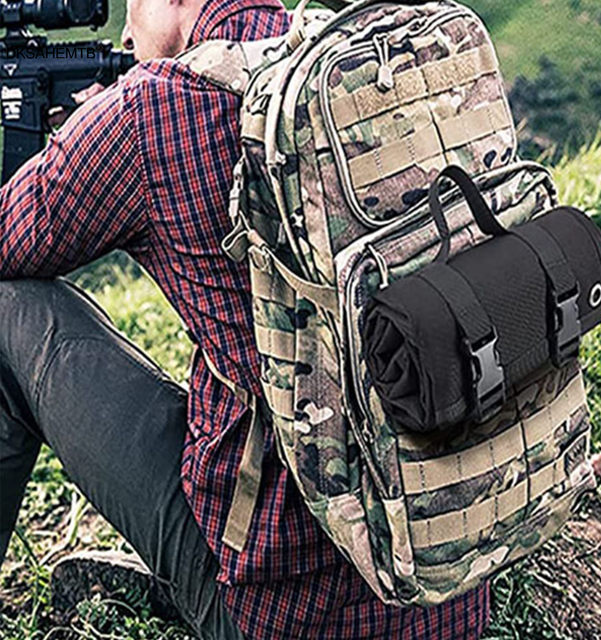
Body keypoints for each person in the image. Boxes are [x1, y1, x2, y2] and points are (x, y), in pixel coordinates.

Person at [0, 0, 492, 637]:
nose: (124, 30)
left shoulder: (149, 112)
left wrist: (79, 143)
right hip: (453, 581)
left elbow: (9, 241)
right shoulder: (345, 60)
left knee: (6, 310)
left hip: (283, 617)